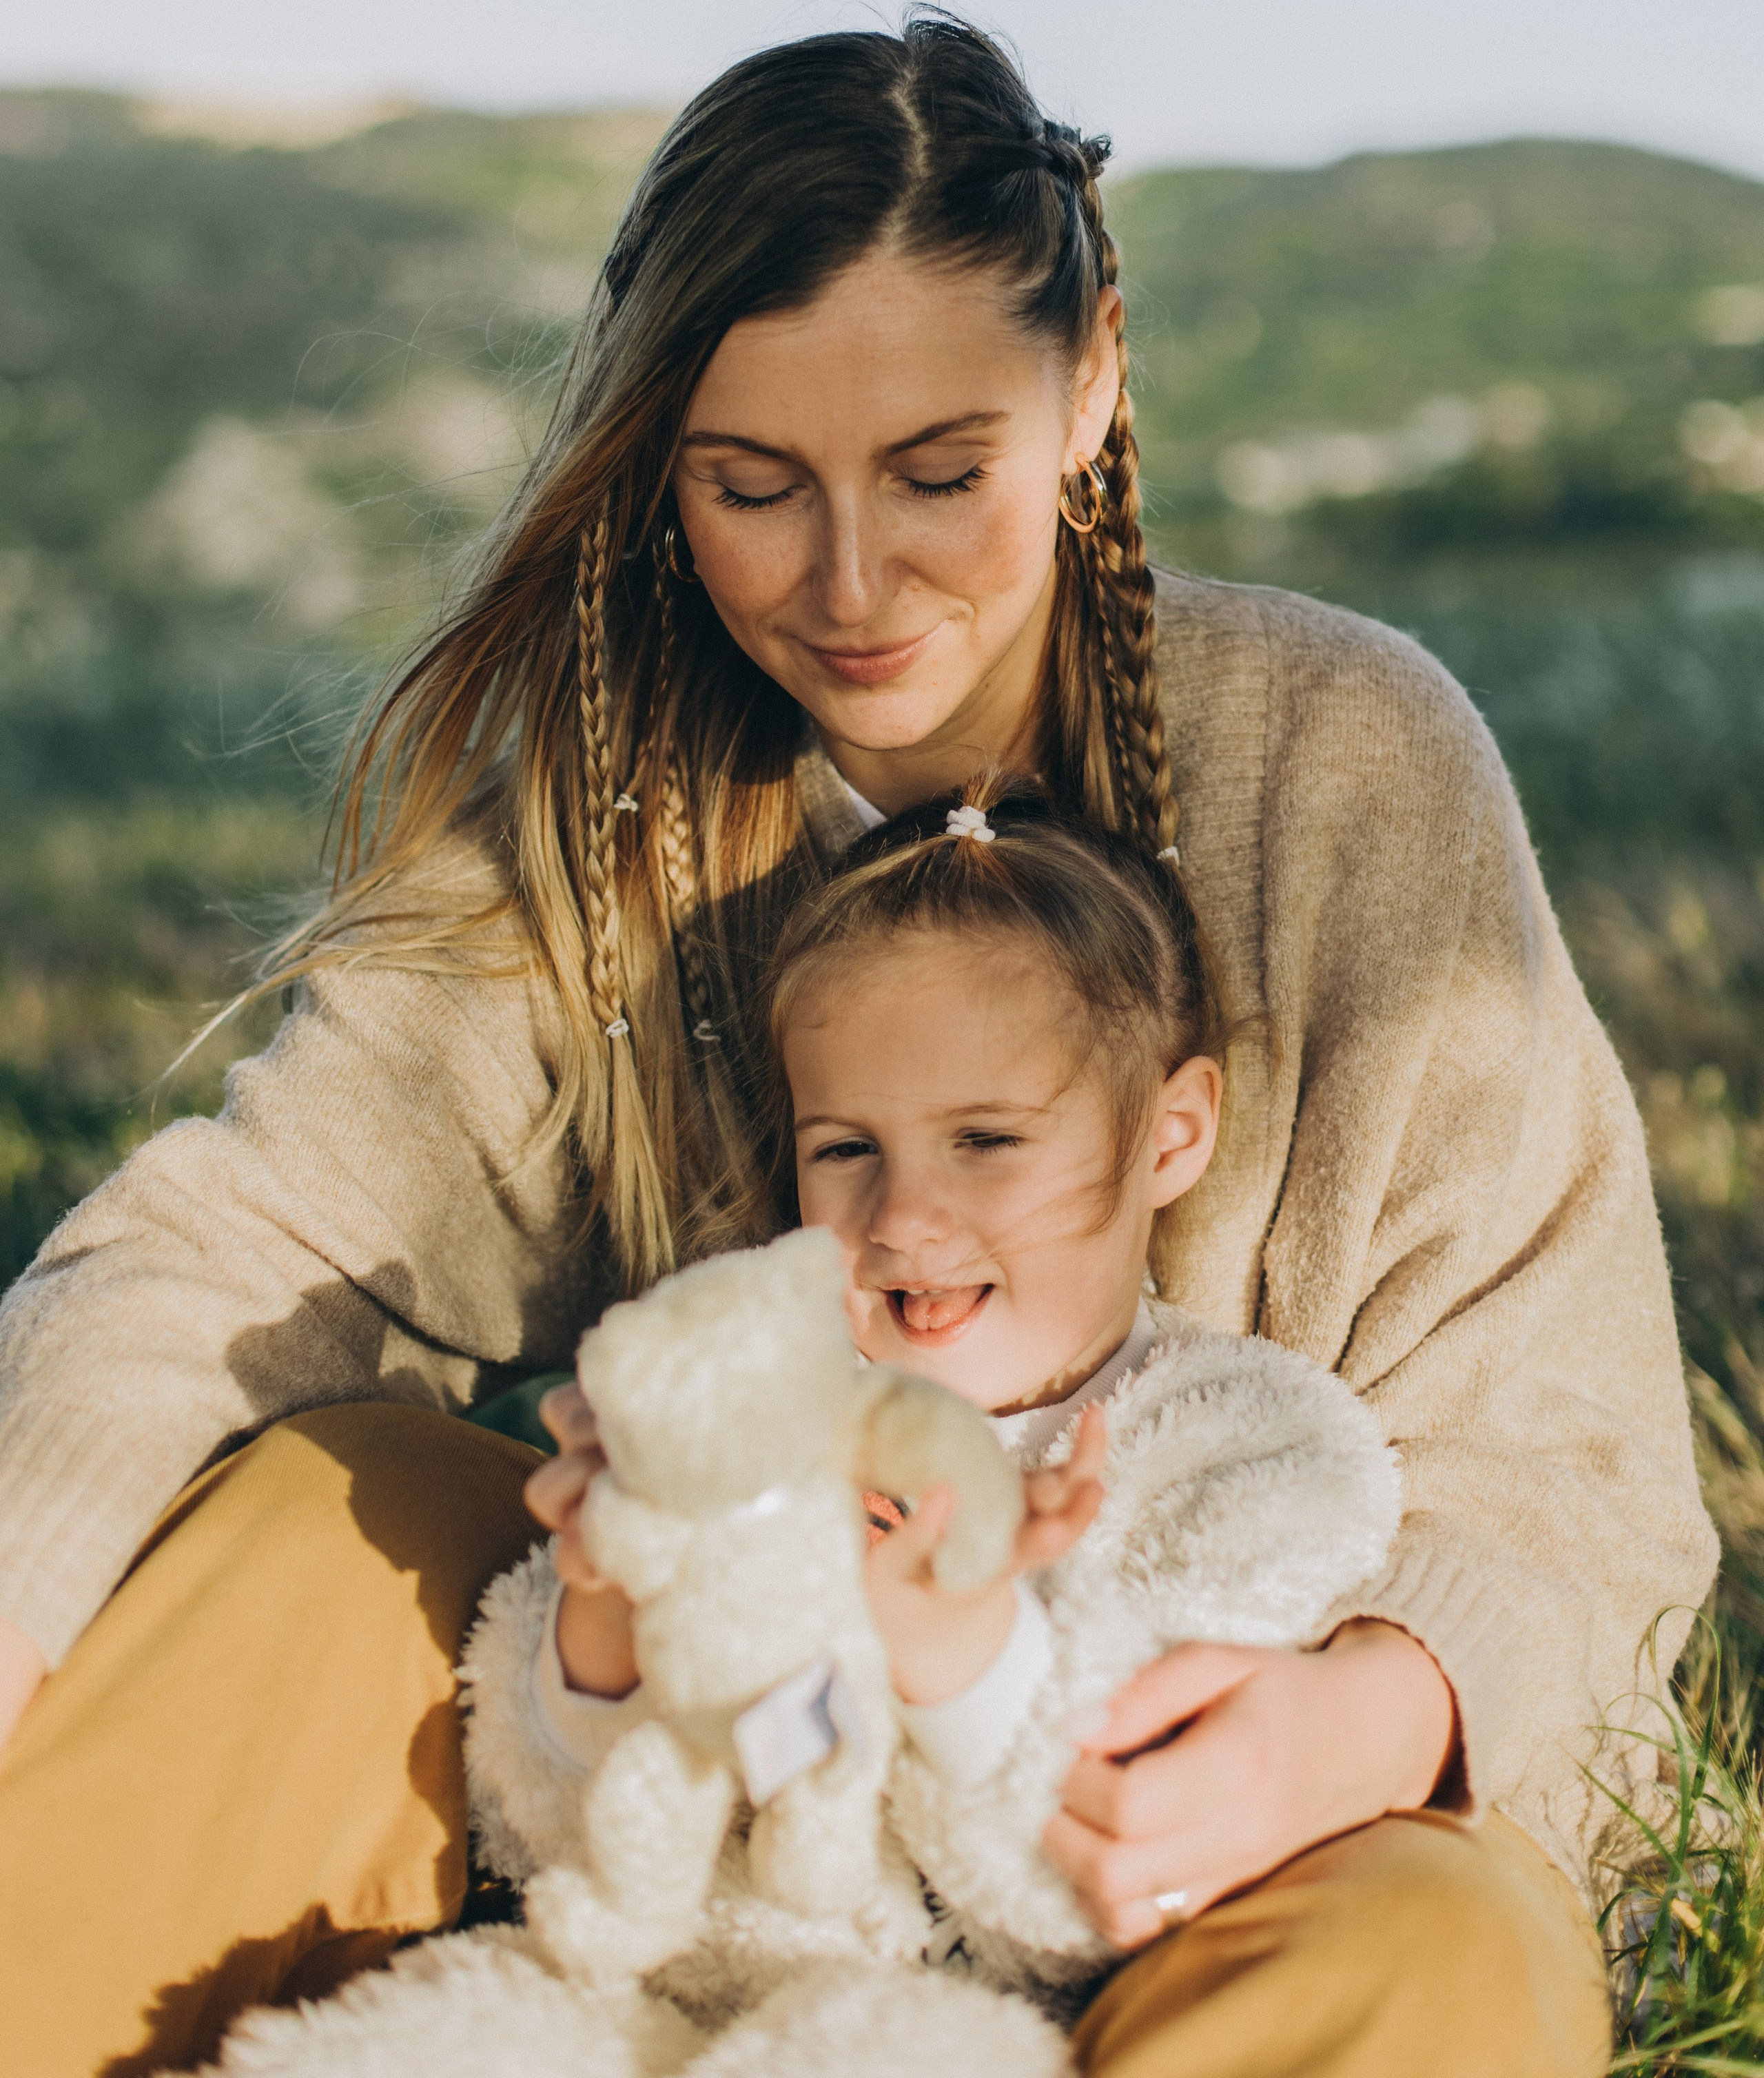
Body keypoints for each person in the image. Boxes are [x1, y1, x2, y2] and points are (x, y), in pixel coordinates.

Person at [0, 14, 1712, 2078]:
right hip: (723, 1855)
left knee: (1441, 1954)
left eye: (937, 474)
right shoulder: (596, 820)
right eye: (748, 487)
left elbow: (1571, 1454)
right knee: (330, 1505)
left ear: (1091, 386)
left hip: (1229, 1838)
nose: (849, 582)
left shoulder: (1348, 763)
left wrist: (1376, 1711)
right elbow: (235, 1260)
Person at [203, 790, 1410, 2077]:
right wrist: (604, 1620)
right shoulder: (769, 1402)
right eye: (845, 1149)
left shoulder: (1247, 1452)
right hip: (647, 1987)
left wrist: (951, 1639)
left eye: (986, 1140)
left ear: (1171, 1135)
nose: (903, 1216)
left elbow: (1118, 1890)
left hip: (958, 2022)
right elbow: (541, 1823)